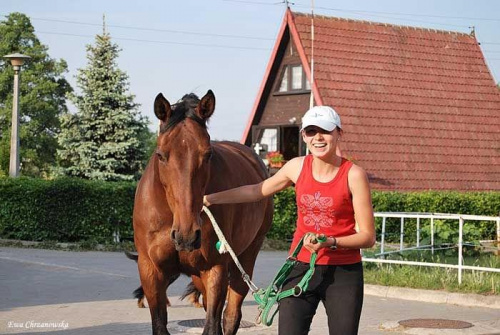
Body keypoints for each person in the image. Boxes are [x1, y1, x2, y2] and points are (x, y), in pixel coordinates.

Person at [203, 105, 375, 335]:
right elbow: (256, 191)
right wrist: (210, 199)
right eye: (311, 131)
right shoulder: (296, 167)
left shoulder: (354, 175)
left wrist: (331, 242)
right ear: (304, 136)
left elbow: (368, 237)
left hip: (343, 272)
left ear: (338, 133)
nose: (318, 138)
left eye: (325, 130)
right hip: (299, 268)